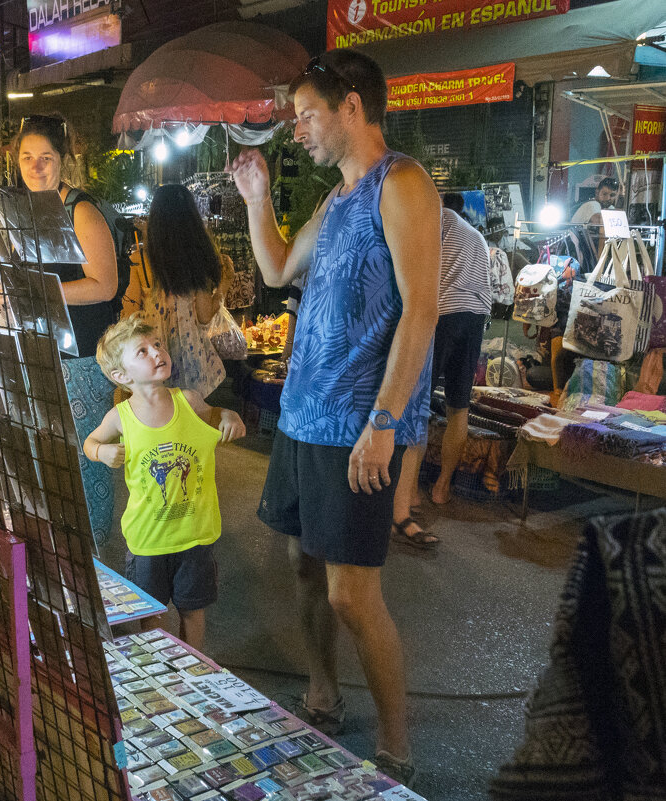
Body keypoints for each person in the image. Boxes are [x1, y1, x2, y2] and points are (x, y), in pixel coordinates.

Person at [227, 49, 440, 785]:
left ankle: (396, 743)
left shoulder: (401, 183)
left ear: (351, 105)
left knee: (352, 591)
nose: (298, 132)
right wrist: (257, 197)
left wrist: (385, 419)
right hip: (301, 414)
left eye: (306, 115)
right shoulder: (336, 197)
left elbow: (420, 310)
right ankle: (321, 689)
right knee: (301, 563)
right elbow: (278, 269)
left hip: (356, 424)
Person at [85, 316, 245, 650]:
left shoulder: (188, 400)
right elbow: (89, 443)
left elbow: (217, 416)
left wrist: (230, 415)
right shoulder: (120, 417)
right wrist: (102, 451)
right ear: (121, 376)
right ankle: (157, 670)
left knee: (193, 611)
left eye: (156, 344)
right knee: (151, 617)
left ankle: (194, 669)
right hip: (148, 541)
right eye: (141, 351)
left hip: (194, 536)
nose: (157, 353)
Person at [16, 113, 120, 546]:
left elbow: (105, 285)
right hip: (36, 352)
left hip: (80, 359)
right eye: (26, 158)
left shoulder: (81, 209)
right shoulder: (23, 211)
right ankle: (58, 560)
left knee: (84, 460)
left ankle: (93, 559)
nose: (36, 167)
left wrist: (42, 293)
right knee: (45, 461)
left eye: (45, 157)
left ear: (62, 160)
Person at [391, 200, 492, 549]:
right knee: (458, 407)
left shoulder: (433, 220)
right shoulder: (475, 235)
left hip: (443, 313)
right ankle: (442, 487)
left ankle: (410, 494)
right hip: (475, 316)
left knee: (416, 403)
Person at [137, 184, 234, 398]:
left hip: (152, 364)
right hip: (193, 369)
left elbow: (131, 314)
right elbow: (204, 316)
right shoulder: (196, 261)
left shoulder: (141, 260)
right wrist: (223, 287)